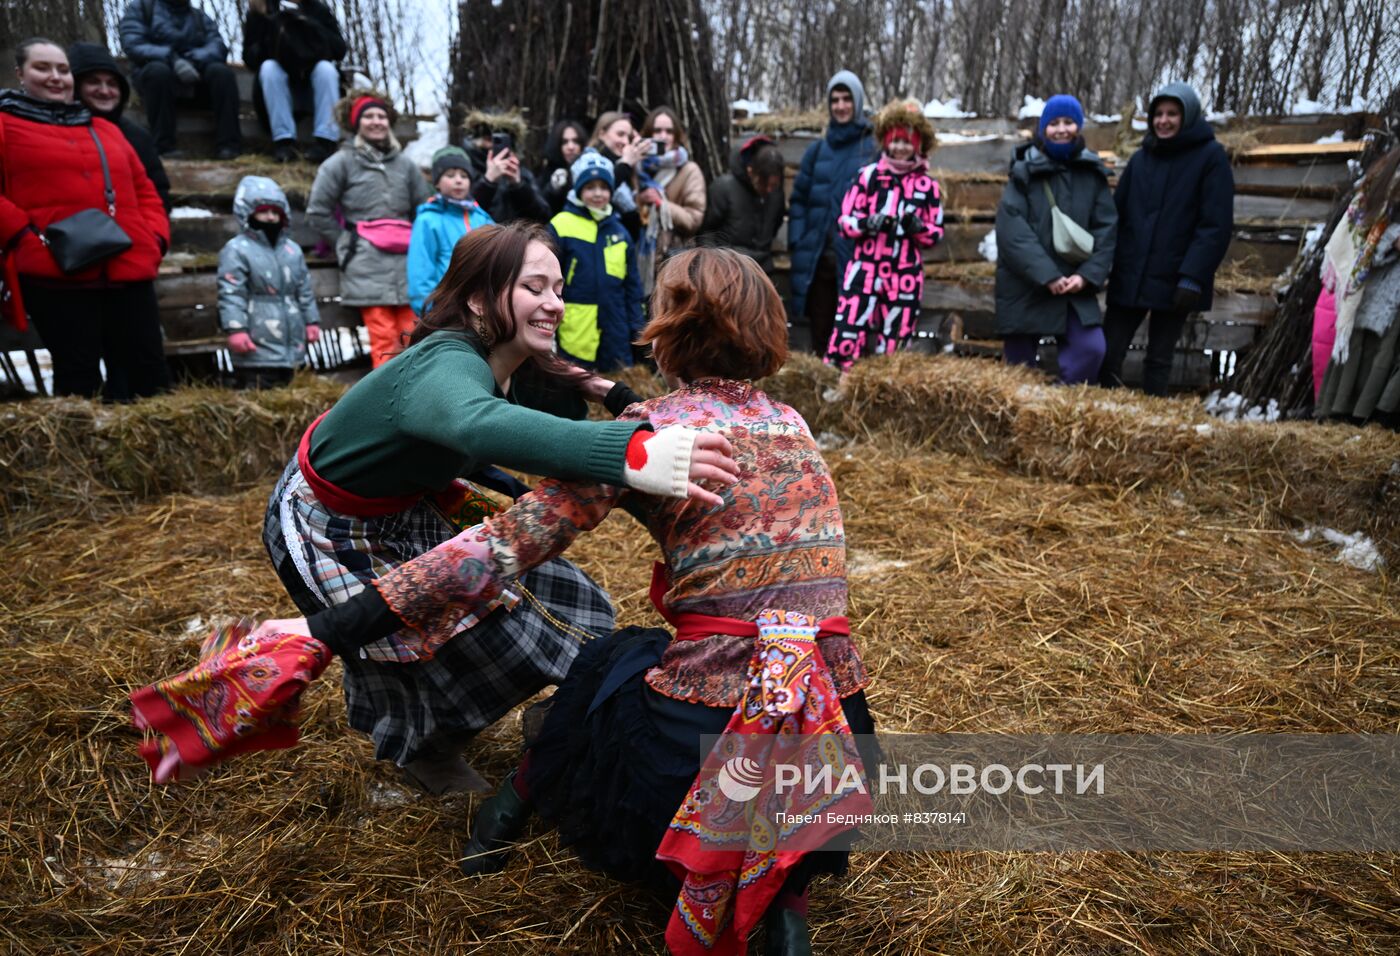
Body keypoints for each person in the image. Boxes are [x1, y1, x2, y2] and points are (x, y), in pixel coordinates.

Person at [133, 249, 869, 956]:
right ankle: (788, 903)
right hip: (833, 738)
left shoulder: (645, 442)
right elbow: (688, 416)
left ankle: (505, 808)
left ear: (670, 327)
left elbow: (488, 556)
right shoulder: (791, 424)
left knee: (603, 663)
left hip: (699, 754)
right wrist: (601, 389)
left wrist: (330, 628)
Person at [257, 221, 738, 791]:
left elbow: (556, 400)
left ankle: (493, 730)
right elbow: (478, 423)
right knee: (445, 637)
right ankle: (427, 752)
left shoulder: (511, 360)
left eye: (559, 289)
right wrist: (631, 452)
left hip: (405, 502)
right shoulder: (446, 362)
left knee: (556, 600)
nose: (554, 304)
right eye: (535, 288)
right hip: (330, 522)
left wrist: (619, 400)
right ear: (480, 298)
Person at [0, 39, 171, 401]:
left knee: (151, 379)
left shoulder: (105, 128)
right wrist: (23, 238)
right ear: (20, 73)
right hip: (56, 272)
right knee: (79, 383)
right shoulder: (4, 124)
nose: (55, 77)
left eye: (62, 69)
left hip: (128, 268)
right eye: (42, 68)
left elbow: (145, 190)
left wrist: (154, 240)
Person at [1098, 82, 1234, 396]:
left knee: (1159, 359)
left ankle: (1152, 420)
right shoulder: (1142, 159)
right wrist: (1105, 263)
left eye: (1172, 113)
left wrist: (1192, 276)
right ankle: (1105, 411)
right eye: (1158, 114)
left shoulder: (1210, 157)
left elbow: (1214, 225)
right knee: (1108, 352)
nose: (1163, 120)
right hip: (1131, 273)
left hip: (1176, 279)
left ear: (1188, 116)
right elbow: (1116, 216)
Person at [994, 94, 1116, 385]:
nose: (1061, 129)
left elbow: (1107, 231)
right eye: (1054, 123)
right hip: (1026, 286)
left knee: (1091, 349)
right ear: (1043, 129)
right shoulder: (1023, 172)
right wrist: (1047, 274)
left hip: (1075, 287)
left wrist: (1086, 277)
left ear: (1079, 127)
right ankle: (1021, 416)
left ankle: (1060, 410)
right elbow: (1012, 231)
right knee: (1018, 372)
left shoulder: (1093, 175)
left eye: (1069, 122)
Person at [306, 89, 430, 367]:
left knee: (414, 338)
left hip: (407, 263)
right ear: (356, 122)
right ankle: (388, 404)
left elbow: (424, 210)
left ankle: (417, 402)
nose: (376, 121)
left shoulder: (406, 166)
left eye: (381, 116)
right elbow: (318, 211)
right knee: (384, 339)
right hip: (365, 264)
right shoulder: (340, 163)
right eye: (369, 116)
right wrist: (347, 242)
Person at [827, 98, 944, 371]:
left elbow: (935, 233)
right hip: (865, 268)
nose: (900, 148)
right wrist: (869, 223)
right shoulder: (867, 177)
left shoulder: (928, 186)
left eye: (907, 142)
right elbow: (845, 221)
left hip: (905, 273)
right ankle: (836, 380)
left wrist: (919, 229)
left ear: (917, 145)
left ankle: (885, 386)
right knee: (849, 326)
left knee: (896, 337)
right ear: (886, 141)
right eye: (896, 141)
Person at [787, 70, 877, 355]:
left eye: (846, 99)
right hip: (818, 262)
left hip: (855, 259)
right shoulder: (817, 151)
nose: (840, 106)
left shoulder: (871, 148)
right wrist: (798, 240)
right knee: (820, 338)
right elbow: (799, 200)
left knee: (854, 338)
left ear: (858, 102)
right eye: (834, 99)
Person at [1315, 146, 1400, 425]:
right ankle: (1352, 414)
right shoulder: (1388, 177)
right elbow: (1362, 236)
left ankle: (1381, 416)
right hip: (1382, 284)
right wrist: (1394, 240)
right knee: (1373, 349)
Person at [218, 175, 320, 389]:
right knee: (260, 392)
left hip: (291, 340)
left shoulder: (292, 250)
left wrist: (311, 321)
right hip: (256, 342)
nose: (271, 217)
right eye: (263, 211)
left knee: (292, 391)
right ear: (247, 213)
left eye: (276, 212)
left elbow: (304, 289)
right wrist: (236, 329)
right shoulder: (237, 249)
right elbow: (231, 292)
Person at [548, 150, 643, 371]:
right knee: (576, 382)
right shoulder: (561, 225)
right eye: (590, 187)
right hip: (576, 324)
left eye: (603, 187)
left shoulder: (620, 232)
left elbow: (632, 287)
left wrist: (638, 327)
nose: (597, 194)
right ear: (579, 190)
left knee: (617, 383)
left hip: (615, 325)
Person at [118, 0, 242, 159]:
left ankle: (230, 146)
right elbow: (133, 43)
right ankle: (163, 147)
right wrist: (173, 60)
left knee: (222, 73)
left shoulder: (199, 17)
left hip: (196, 83)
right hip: (157, 84)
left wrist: (194, 60)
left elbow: (217, 45)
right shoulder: (141, 9)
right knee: (158, 72)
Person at [67, 42, 172, 213]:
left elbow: (159, 194)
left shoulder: (137, 137)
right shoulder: (58, 132)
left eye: (112, 83)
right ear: (76, 87)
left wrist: (155, 236)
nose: (105, 91)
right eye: (93, 82)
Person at [242, 0, 347, 164]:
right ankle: (284, 142)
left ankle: (326, 141)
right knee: (269, 68)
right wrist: (267, 23)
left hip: (312, 84)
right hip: (278, 87)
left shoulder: (317, 9)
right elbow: (250, 58)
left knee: (326, 69)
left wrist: (308, 24)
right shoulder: (262, 9)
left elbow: (339, 50)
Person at [407, 147, 494, 316]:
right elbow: (420, 273)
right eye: (450, 175)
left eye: (464, 176)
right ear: (437, 182)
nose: (458, 180)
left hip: (484, 309)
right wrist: (430, 313)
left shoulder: (482, 218)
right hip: (446, 312)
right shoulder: (428, 220)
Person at [635, 106, 706, 291]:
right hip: (637, 257)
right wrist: (640, 199)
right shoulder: (637, 167)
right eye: (657, 130)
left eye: (669, 131)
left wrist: (661, 204)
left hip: (674, 259)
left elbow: (693, 220)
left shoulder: (689, 170)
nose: (663, 136)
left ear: (676, 135)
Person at [698, 134, 786, 275]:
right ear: (750, 171)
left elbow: (776, 223)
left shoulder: (775, 195)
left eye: (774, 185)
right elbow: (706, 233)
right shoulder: (723, 188)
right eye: (763, 185)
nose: (769, 190)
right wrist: (716, 264)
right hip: (727, 270)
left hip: (761, 269)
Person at [460, 111, 550, 224]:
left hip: (516, 238)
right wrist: (488, 181)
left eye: (500, 140)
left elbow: (543, 217)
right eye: (489, 139)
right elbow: (461, 215)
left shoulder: (522, 174)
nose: (494, 145)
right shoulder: (467, 172)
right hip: (481, 239)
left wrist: (518, 185)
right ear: (478, 141)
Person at [589, 111, 648, 239]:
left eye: (629, 137)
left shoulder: (628, 168)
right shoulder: (588, 162)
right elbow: (602, 186)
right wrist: (625, 164)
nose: (626, 142)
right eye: (620, 134)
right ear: (602, 134)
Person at [539, 118, 588, 214]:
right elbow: (540, 210)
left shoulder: (589, 170)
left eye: (576, 141)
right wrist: (552, 189)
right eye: (565, 142)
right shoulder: (548, 173)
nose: (571, 147)